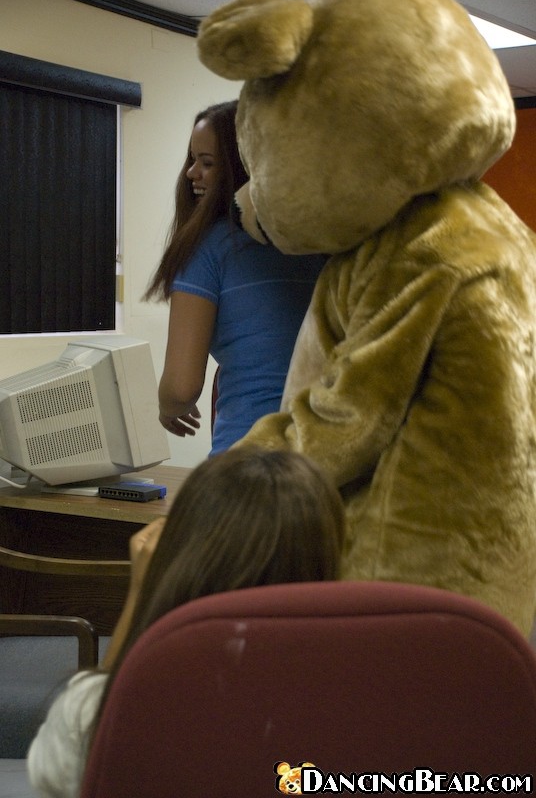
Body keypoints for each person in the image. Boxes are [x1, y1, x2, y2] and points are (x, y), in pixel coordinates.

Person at [27, 446, 345, 798]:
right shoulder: (354, 706)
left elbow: (56, 775)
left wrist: (141, 595)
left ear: (186, 550)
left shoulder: (99, 710)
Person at [144, 101, 326, 455]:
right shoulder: (317, 242)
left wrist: (169, 408)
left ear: (243, 165)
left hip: (250, 460)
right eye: (192, 160)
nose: (192, 173)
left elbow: (182, 387)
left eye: (208, 163)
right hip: (327, 456)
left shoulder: (207, 249)